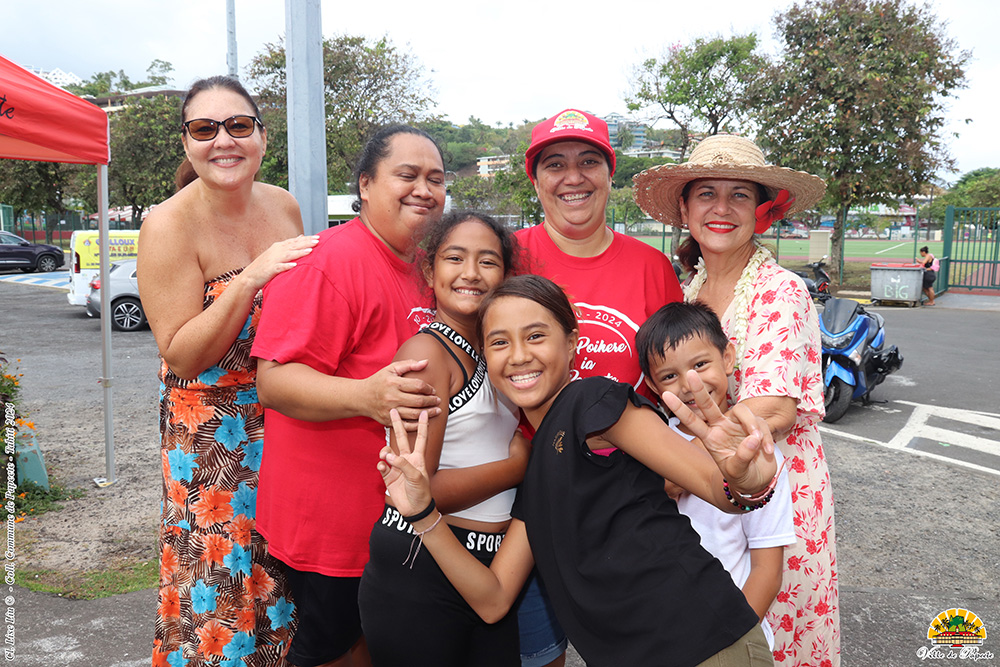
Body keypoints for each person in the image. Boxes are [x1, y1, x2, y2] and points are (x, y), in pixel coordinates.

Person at [378, 275, 780, 667]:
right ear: (486, 356)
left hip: (706, 646)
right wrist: (422, 514)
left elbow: (714, 485)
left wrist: (747, 484)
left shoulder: (591, 401)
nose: (518, 355)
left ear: (571, 343)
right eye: (500, 342)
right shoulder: (536, 469)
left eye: (536, 336)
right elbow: (494, 600)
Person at [633, 134, 840, 665]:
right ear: (685, 209)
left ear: (761, 212)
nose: (721, 209)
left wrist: (670, 474)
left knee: (768, 640)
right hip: (703, 498)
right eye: (706, 193)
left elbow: (775, 409)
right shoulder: (687, 291)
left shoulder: (781, 290)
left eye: (739, 195)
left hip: (773, 491)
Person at [251, 125, 446, 667]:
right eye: (407, 175)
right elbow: (273, 380)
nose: (424, 190)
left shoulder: (424, 266)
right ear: (364, 184)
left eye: (435, 179)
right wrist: (366, 395)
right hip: (331, 528)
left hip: (391, 518)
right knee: (333, 651)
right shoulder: (329, 262)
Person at [139, 75, 317, 666]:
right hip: (210, 442)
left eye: (238, 125)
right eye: (204, 128)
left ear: (262, 136)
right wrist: (248, 280)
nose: (223, 140)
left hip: (285, 422)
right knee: (221, 592)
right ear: (187, 142)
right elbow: (181, 354)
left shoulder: (283, 204)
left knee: (283, 587)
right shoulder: (167, 225)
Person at [515, 108, 684, 667]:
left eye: (589, 162)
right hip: (522, 494)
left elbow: (671, 382)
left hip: (622, 504)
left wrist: (677, 467)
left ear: (610, 175)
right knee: (537, 654)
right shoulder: (508, 257)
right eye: (555, 164)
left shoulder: (652, 267)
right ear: (535, 179)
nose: (573, 177)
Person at [359, 211, 528, 666]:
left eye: (488, 261)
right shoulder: (427, 355)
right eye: (455, 258)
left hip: (487, 570)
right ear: (430, 271)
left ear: (506, 276)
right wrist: (517, 467)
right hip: (421, 566)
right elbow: (412, 490)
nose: (471, 273)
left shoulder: (492, 352)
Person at [636, 301, 796, 650]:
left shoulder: (758, 453)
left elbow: (767, 572)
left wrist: (730, 641)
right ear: (651, 384)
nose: (689, 383)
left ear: (727, 358)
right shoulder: (647, 445)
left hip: (730, 637)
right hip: (657, 636)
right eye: (669, 376)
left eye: (700, 365)